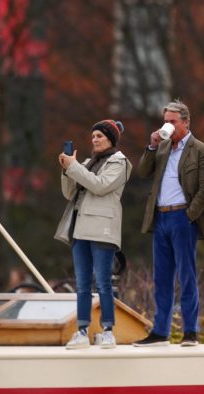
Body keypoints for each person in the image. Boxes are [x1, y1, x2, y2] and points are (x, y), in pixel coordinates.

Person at [133, 100, 204, 347]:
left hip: (182, 217)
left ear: (186, 122)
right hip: (160, 217)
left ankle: (191, 331)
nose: (167, 125)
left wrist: (190, 215)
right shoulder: (162, 147)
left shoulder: (201, 150)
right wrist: (151, 145)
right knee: (161, 277)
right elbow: (143, 172)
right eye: (165, 121)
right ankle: (160, 331)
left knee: (186, 275)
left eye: (172, 121)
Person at [55, 120, 132, 349]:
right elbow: (69, 193)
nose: (94, 139)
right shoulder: (88, 163)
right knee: (82, 284)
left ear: (111, 138)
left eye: (99, 135)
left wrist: (74, 167)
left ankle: (108, 331)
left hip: (102, 229)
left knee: (104, 283)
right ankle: (81, 331)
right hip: (80, 229)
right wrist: (66, 170)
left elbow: (100, 186)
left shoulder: (120, 162)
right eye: (93, 136)